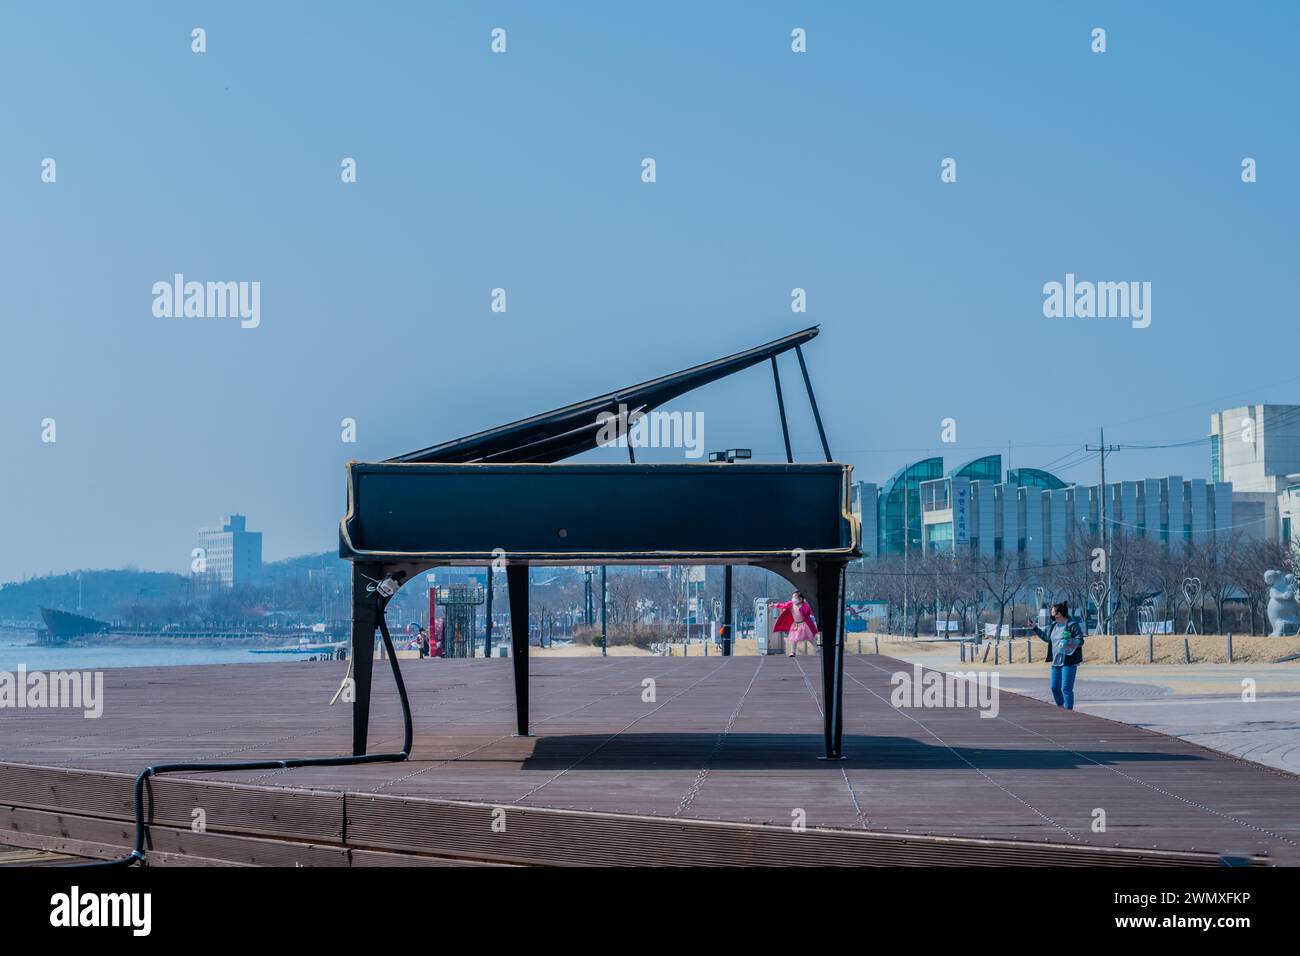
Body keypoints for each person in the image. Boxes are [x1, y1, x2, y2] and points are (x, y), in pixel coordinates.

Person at [1028, 601, 1084, 709]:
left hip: (1069, 662)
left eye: (1052, 612)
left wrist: (1072, 641)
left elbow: (1080, 640)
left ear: (1058, 614)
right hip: (1056, 662)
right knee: (1054, 687)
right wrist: (1034, 627)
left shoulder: (1072, 624)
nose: (1051, 613)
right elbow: (1046, 638)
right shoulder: (1053, 626)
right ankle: (1061, 707)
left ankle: (1068, 713)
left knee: (1066, 689)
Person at [772, 591, 818, 657]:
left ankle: (818, 649)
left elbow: (811, 612)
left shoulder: (805, 605)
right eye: (793, 597)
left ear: (801, 599)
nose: (793, 599)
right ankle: (792, 652)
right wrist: (775, 605)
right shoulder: (791, 604)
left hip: (804, 625)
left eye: (795, 597)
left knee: (810, 638)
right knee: (793, 638)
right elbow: (783, 605)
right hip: (796, 625)